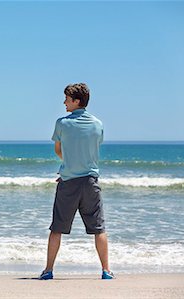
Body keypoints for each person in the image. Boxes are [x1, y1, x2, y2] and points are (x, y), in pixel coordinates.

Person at [39, 83, 114, 280]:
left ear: (76, 101)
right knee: (99, 228)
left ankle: (48, 271)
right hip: (90, 182)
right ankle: (106, 271)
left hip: (69, 182)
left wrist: (69, 166)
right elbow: (91, 150)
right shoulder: (98, 124)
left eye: (67, 99)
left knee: (57, 228)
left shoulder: (62, 123)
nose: (64, 102)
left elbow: (58, 150)